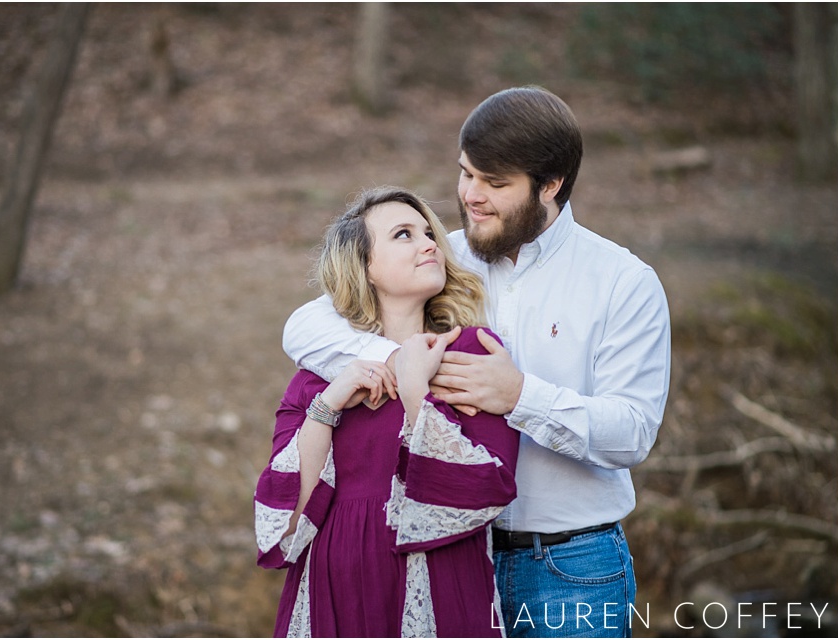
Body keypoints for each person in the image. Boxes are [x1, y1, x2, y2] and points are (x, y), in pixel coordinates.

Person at [282, 86, 672, 637]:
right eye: (467, 173)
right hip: (455, 563)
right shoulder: (442, 258)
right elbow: (305, 326)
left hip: (572, 567)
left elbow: (631, 433)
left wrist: (519, 397)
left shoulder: (622, 283)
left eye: (495, 183)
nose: (471, 196)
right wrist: (402, 362)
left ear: (551, 184)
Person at [255, 186, 520, 637]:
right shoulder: (315, 378)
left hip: (438, 584)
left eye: (427, 233)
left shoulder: (472, 356)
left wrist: (415, 387)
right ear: (365, 268)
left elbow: (486, 489)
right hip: (333, 593)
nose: (430, 243)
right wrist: (329, 403)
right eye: (404, 234)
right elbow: (288, 517)